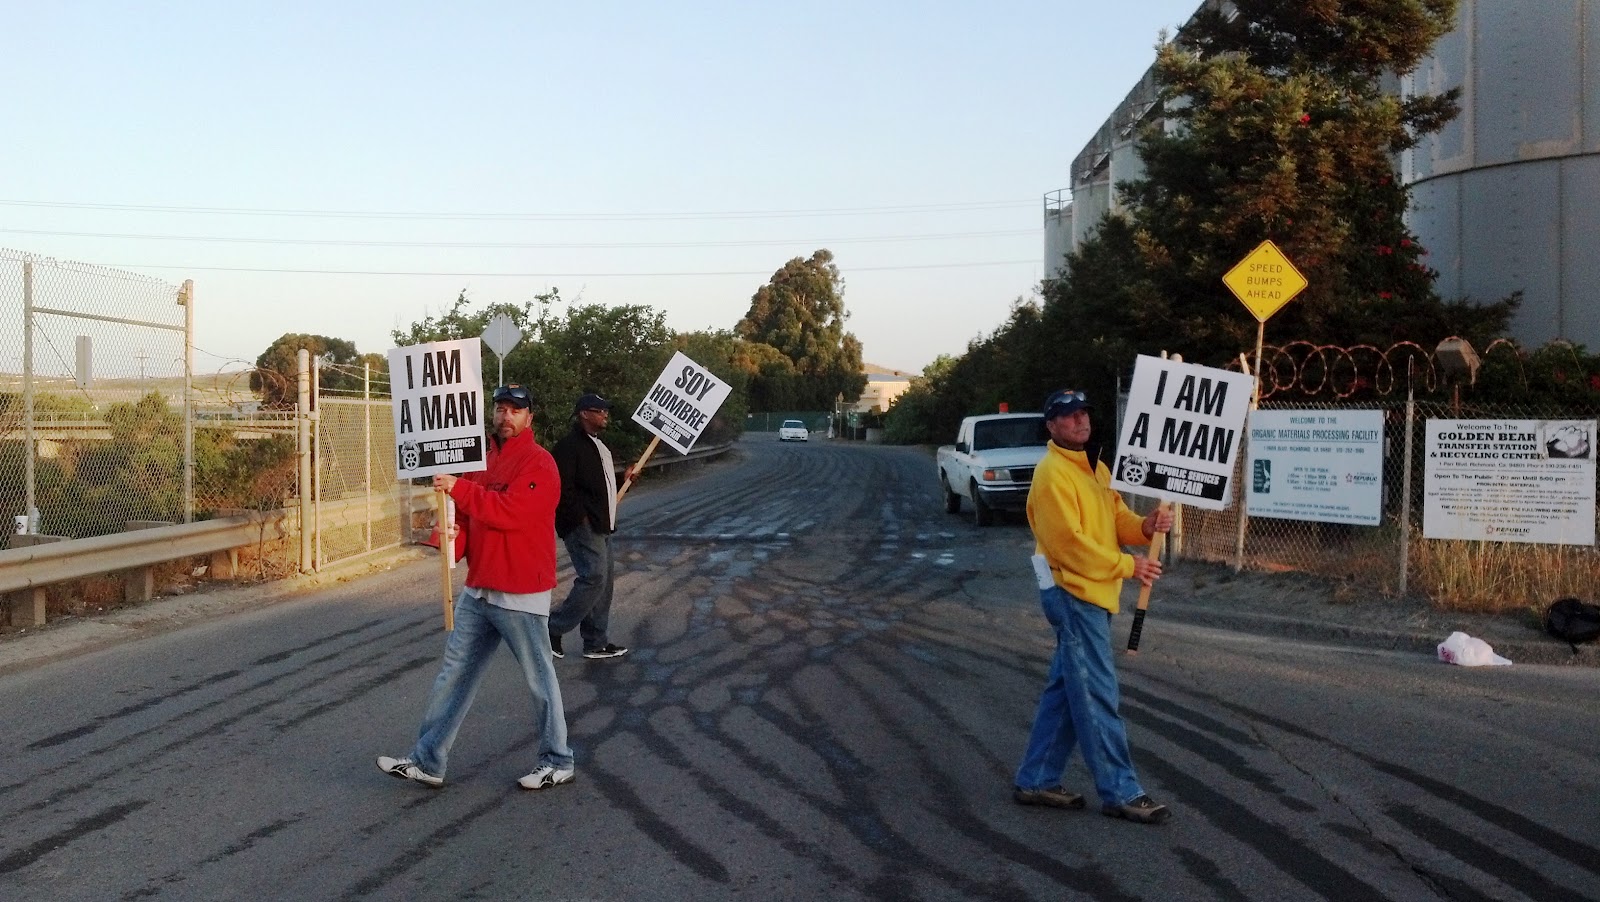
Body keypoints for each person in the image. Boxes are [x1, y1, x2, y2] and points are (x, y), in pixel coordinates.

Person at [377, 384, 575, 791]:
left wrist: (460, 490)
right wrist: (450, 536)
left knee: (540, 680)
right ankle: (428, 760)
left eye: (516, 410)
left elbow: (511, 513)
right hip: (479, 589)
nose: (506, 416)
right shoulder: (478, 460)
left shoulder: (541, 464)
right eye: (501, 408)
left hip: (519, 592)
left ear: (529, 418)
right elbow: (467, 519)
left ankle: (558, 760)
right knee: (454, 675)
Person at [1012, 388, 1175, 824]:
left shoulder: (1095, 467)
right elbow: (1070, 548)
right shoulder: (1052, 476)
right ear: (1051, 425)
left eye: (1084, 412)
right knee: (1098, 695)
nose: (1080, 420)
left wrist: (1145, 525)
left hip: (1092, 593)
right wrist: (1128, 565)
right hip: (1073, 594)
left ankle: (1037, 779)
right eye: (1068, 416)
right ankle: (1121, 791)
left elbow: (1116, 517)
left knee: (1068, 692)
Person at [548, 392, 631, 660]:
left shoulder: (600, 447)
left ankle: (595, 642)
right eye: (600, 410)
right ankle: (551, 628)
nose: (605, 414)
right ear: (584, 413)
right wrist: (581, 518)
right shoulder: (568, 447)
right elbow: (561, 488)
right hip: (583, 525)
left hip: (603, 523)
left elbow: (602, 488)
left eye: (606, 410)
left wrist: (626, 480)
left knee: (604, 582)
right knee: (594, 576)